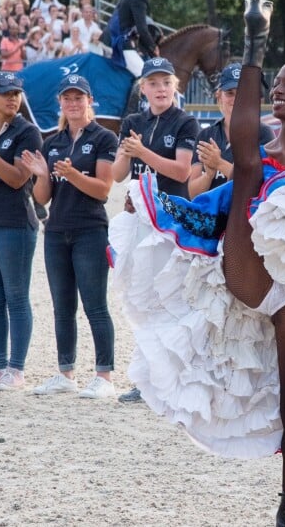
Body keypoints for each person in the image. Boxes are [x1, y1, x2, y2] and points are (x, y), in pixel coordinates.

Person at [107, 0, 285, 526]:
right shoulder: (258, 150)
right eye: (275, 83)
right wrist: (256, 40)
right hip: (252, 274)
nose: (279, 90)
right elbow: (243, 132)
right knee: (247, 173)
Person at [22, 75, 118, 399]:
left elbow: (104, 190)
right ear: (60, 103)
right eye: (68, 98)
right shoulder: (53, 143)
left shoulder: (104, 138)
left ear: (90, 101)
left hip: (90, 229)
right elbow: (44, 196)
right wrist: (39, 176)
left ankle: (104, 375)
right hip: (57, 231)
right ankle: (66, 372)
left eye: (80, 98)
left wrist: (73, 174)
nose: (74, 103)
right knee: (63, 307)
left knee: (95, 305)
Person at [112, 57, 200, 403]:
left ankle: (171, 377)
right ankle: (146, 377)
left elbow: (181, 172)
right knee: (142, 299)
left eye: (166, 82)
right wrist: (126, 152)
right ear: (143, 88)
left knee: (171, 299)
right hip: (139, 218)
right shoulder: (133, 121)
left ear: (175, 86)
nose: (160, 89)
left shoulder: (185, 122)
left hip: (170, 221)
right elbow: (119, 174)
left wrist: (142, 152)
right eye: (153, 83)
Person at [0, 72, 42, 391]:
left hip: (15, 221)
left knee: (16, 296)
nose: (13, 98)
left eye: (16, 93)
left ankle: (17, 368)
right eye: (6, 93)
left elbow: (17, 178)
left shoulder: (29, 132)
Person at [188, 61, 274, 199]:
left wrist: (219, 164)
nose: (236, 99)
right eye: (230, 93)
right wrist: (209, 175)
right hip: (212, 218)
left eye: (242, 92)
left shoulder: (263, 134)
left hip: (244, 217)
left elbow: (261, 186)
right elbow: (193, 194)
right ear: (219, 96)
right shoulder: (206, 135)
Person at [107, 0, 165, 77]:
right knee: (146, 76)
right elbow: (142, 28)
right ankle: (135, 95)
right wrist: (153, 47)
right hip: (118, 41)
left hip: (122, 38)